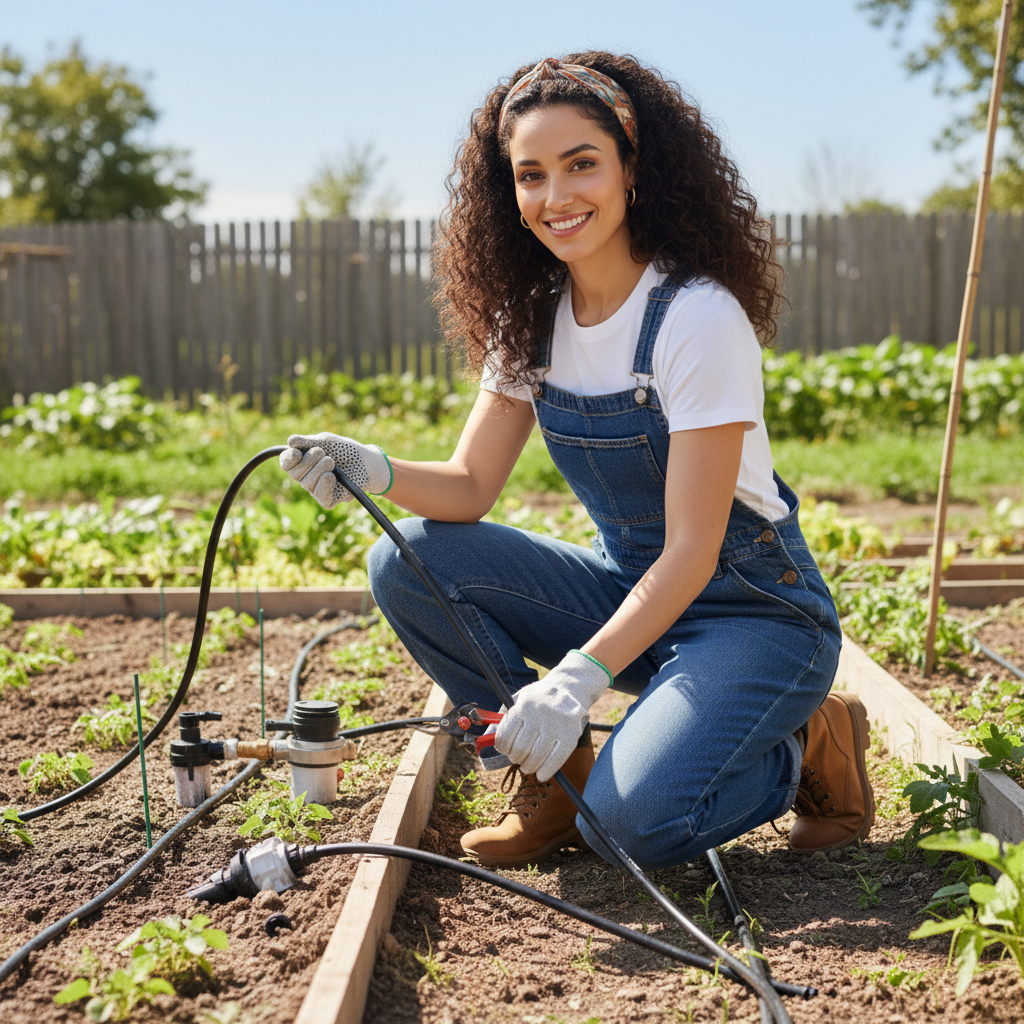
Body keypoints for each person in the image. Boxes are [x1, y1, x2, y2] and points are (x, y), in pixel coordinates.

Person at [279, 52, 874, 871]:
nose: (555, 197)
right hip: (634, 594)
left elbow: (695, 551)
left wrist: (575, 680)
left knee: (631, 830)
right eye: (530, 175)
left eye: (581, 165)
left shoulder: (695, 317)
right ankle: (550, 783)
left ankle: (806, 745)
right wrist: (371, 467)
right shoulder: (533, 319)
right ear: (510, 194)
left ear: (632, 168)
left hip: (753, 614)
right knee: (407, 556)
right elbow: (470, 487)